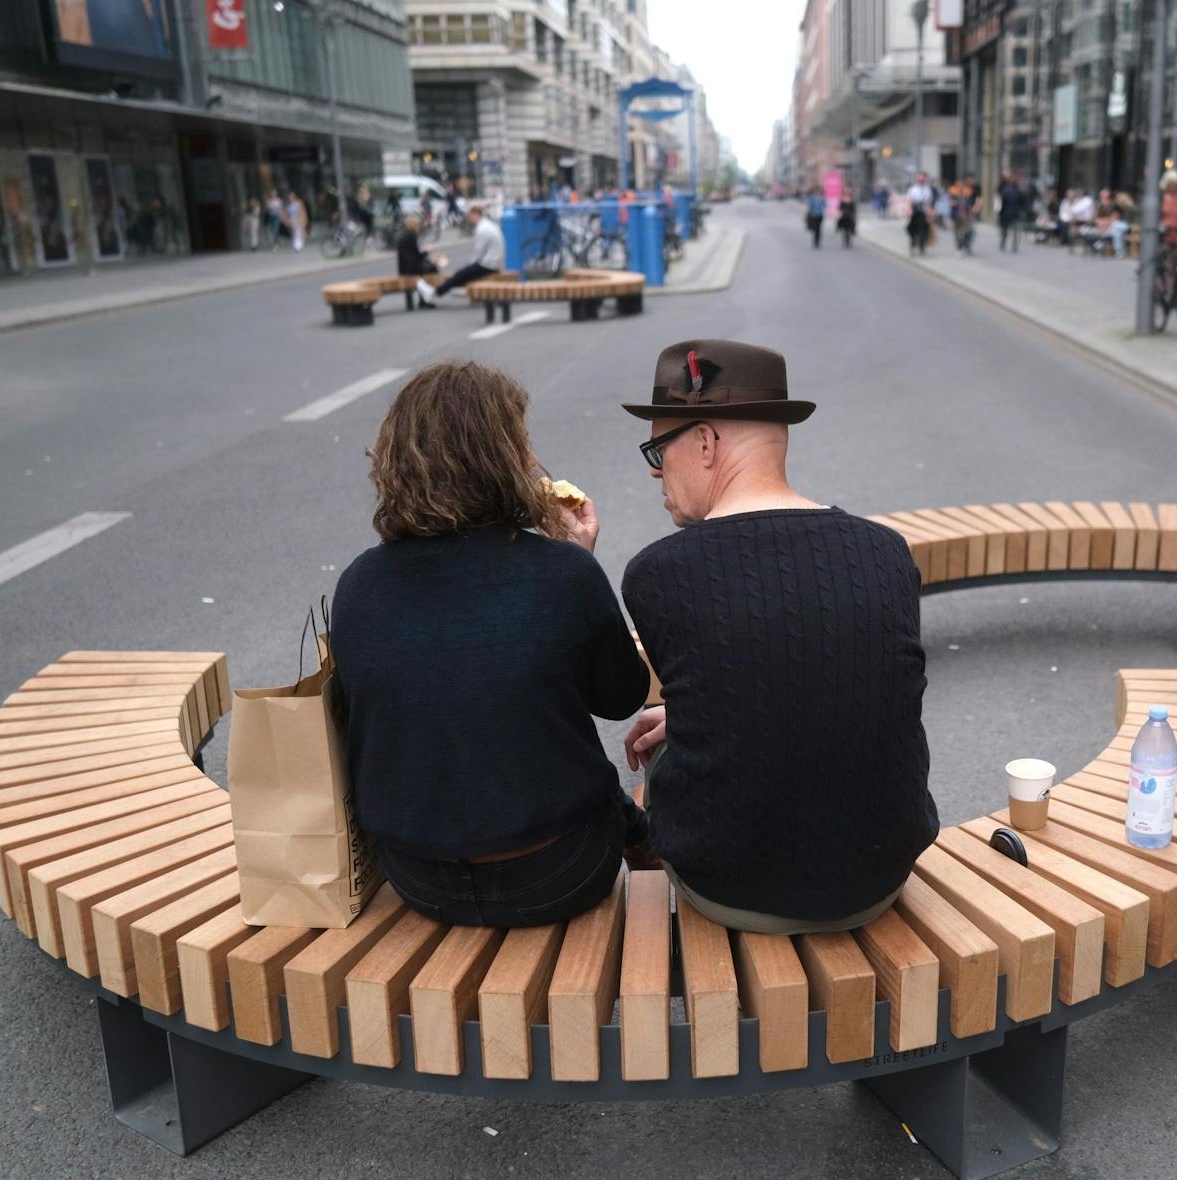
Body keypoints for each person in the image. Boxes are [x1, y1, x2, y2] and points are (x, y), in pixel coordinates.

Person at [618, 340, 938, 933]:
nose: (655, 471)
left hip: (731, 889)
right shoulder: (886, 552)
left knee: (656, 747)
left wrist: (685, 721)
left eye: (658, 450)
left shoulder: (659, 573)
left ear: (705, 443)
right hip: (882, 877)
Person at [330, 361, 650, 927]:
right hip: (560, 872)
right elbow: (621, 697)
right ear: (503, 458)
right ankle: (646, 842)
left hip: (418, 876)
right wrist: (578, 560)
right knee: (595, 772)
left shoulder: (359, 583)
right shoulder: (562, 573)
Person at [431, 202, 503, 296]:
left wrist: (470, 266)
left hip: (488, 265)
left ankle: (438, 291)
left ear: (474, 214)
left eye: (469, 216)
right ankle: (447, 288)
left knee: (460, 274)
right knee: (462, 273)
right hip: (494, 262)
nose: (469, 219)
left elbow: (479, 251)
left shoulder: (482, 229)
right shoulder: (490, 225)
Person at [396, 214, 445, 305]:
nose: (420, 227)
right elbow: (416, 257)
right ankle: (426, 297)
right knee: (432, 268)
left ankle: (424, 298)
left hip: (404, 268)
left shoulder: (405, 235)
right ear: (414, 225)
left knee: (430, 265)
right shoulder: (412, 236)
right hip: (410, 269)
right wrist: (427, 251)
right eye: (418, 225)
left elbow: (412, 255)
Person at [905, 171, 935, 255]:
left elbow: (929, 202)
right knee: (912, 228)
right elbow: (909, 200)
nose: (921, 180)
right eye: (920, 178)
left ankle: (922, 247)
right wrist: (909, 210)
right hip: (914, 210)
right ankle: (913, 245)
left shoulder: (927, 190)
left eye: (923, 179)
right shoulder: (912, 189)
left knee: (923, 229)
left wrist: (930, 211)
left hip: (923, 211)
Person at [997, 173, 1026, 253]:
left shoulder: (1005, 191)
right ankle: (1014, 246)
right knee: (1014, 231)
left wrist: (1000, 213)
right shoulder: (1018, 191)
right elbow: (1023, 203)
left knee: (1005, 230)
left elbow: (1002, 203)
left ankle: (1003, 243)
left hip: (1006, 214)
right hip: (1015, 214)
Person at [804, 185, 825, 249]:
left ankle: (817, 241)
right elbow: (809, 205)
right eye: (816, 190)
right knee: (815, 228)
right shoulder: (811, 197)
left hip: (820, 215)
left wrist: (821, 209)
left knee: (819, 228)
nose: (817, 192)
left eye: (818, 190)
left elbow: (825, 205)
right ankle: (815, 241)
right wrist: (810, 210)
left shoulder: (822, 198)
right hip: (813, 215)